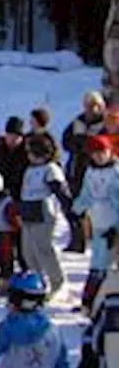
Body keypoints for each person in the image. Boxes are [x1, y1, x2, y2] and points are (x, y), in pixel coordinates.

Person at [18, 133, 72, 299]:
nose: (29, 156)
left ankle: (57, 282)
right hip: (28, 213)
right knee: (28, 251)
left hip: (43, 212)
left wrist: (69, 208)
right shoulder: (29, 169)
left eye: (32, 152)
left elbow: (60, 191)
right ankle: (37, 281)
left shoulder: (50, 169)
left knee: (44, 250)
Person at [76, 136, 119, 308]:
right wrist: (76, 210)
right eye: (95, 154)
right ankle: (91, 301)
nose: (99, 157)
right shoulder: (91, 172)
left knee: (106, 264)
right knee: (96, 262)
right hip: (98, 223)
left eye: (103, 153)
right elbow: (86, 195)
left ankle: (102, 299)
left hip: (113, 225)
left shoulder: (115, 173)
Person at [64, 91, 108, 252]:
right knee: (76, 207)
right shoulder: (78, 122)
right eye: (89, 106)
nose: (92, 109)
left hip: (99, 172)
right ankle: (78, 240)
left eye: (96, 105)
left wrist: (86, 145)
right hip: (77, 170)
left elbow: (105, 144)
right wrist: (80, 144)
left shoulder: (106, 123)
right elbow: (66, 141)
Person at [0, 116, 30, 201]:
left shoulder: (26, 150)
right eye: (10, 135)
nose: (13, 139)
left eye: (17, 137)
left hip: (19, 197)